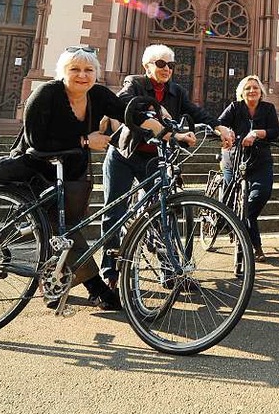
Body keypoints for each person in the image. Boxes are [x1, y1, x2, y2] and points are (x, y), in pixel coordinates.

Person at [10, 46, 162, 310]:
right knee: (63, 229)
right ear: (62, 73)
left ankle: (55, 283)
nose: (83, 75)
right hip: (36, 169)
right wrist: (83, 140)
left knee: (64, 229)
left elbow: (129, 114)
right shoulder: (45, 94)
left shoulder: (98, 95)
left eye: (89, 69)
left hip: (71, 172)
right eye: (75, 69)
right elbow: (36, 141)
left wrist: (169, 132)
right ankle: (96, 288)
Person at [100, 44, 233, 289]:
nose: (166, 69)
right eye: (160, 64)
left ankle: (170, 271)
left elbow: (196, 111)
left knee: (163, 215)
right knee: (114, 213)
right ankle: (110, 274)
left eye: (171, 65)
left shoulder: (176, 91)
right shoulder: (135, 83)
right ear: (147, 66)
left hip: (153, 159)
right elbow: (125, 104)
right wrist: (156, 111)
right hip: (124, 155)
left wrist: (218, 127)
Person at [217, 75, 279, 263]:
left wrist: (257, 133)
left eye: (255, 87)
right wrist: (225, 132)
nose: (252, 91)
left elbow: (275, 131)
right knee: (230, 198)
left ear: (261, 92)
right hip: (234, 159)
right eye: (248, 88)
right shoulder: (235, 108)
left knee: (260, 194)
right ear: (241, 92)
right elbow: (219, 123)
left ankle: (237, 226)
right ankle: (255, 246)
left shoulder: (268, 109)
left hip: (260, 160)